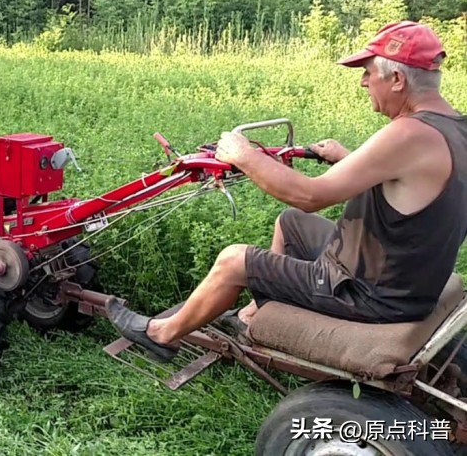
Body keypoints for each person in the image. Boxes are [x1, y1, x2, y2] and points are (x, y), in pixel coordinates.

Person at [105, 20, 467, 361]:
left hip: (369, 294)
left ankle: (161, 335)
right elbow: (413, 183)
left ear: (398, 79)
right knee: (291, 223)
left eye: (368, 73)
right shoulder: (453, 130)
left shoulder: (407, 134)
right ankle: (249, 316)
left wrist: (243, 155)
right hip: (402, 279)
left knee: (234, 260)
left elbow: (309, 196)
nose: (362, 83)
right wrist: (345, 157)